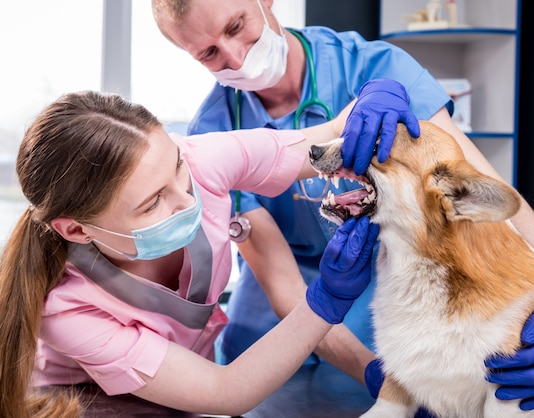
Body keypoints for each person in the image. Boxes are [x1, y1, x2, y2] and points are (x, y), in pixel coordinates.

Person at [151, 0, 534, 412]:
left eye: (235, 25)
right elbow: (282, 283)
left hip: (389, 293)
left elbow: (480, 188)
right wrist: (381, 377)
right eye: (208, 52)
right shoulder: (214, 129)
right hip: (280, 317)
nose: (235, 55)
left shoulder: (374, 67)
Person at [0, 85, 399, 418]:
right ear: (76, 229)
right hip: (86, 405)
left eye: (176, 168)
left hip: (187, 397)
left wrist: (371, 101)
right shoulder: (69, 312)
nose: (188, 200)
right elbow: (227, 390)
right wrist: (324, 301)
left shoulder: (199, 159)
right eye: (153, 203)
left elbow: (324, 136)